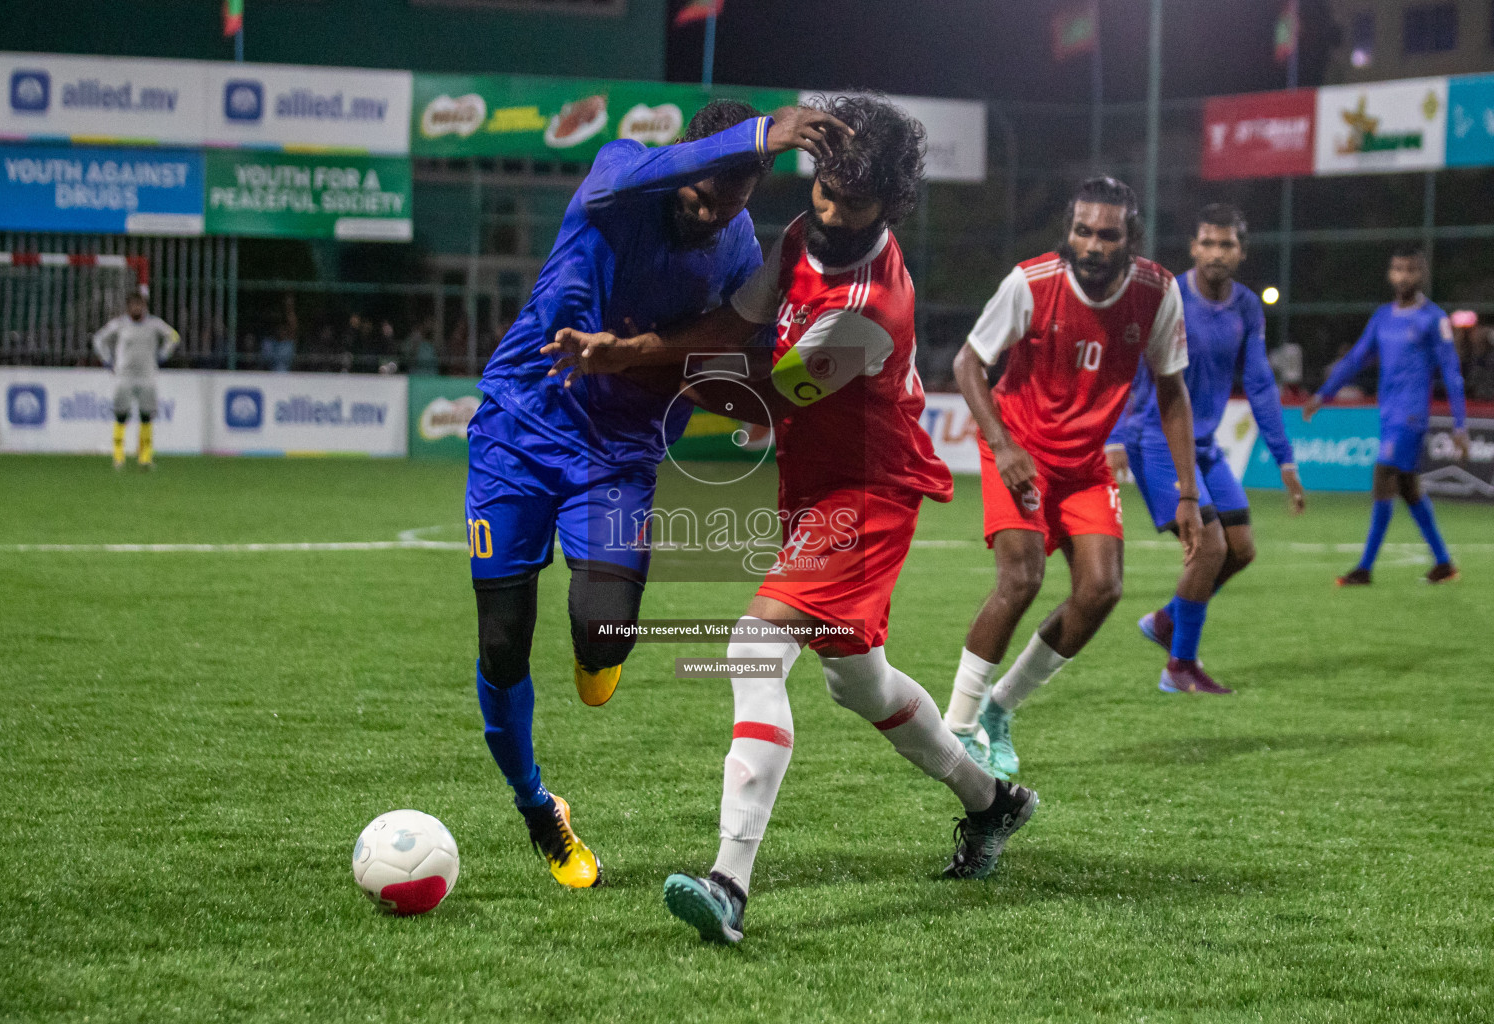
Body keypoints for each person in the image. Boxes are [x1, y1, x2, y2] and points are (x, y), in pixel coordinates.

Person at [544, 95, 1033, 945]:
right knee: (861, 684)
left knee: (751, 646)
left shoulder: (873, 306)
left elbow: (764, 392)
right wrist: (629, 353)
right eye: (823, 189)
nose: (828, 210)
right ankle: (993, 803)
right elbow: (733, 324)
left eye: (852, 200)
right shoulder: (802, 239)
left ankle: (728, 883)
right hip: (812, 483)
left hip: (868, 492)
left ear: (891, 201)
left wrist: (655, 372)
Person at [465, 100, 852, 890]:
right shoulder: (620, 173)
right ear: (684, 158)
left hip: (619, 450)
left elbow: (731, 338)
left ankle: (593, 648)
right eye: (702, 186)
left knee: (601, 637)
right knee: (503, 639)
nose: (710, 208)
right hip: (519, 425)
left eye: (731, 196)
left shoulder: (738, 246)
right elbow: (642, 176)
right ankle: (541, 810)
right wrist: (758, 135)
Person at [939, 177, 1201, 781]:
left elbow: (1171, 389)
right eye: (1082, 231)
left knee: (1102, 589)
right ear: (1069, 232)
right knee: (1022, 575)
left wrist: (1188, 492)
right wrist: (1001, 445)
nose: (1091, 244)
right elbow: (968, 363)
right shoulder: (1030, 283)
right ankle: (955, 728)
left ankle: (1000, 709)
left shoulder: (1158, 292)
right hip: (1020, 450)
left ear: (1129, 239)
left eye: (1107, 234)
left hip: (1084, 465)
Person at [1105, 204, 1305, 695]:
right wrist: (1113, 437)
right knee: (1210, 547)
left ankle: (1168, 621)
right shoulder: (1167, 296)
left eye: (1227, 244)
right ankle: (1180, 667)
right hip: (1156, 439)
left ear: (1241, 251)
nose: (1216, 253)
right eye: (1208, 243)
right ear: (1194, 247)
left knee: (1241, 549)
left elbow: (1259, 385)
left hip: (1206, 446)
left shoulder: (1246, 307)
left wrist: (1285, 459)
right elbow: (1126, 368)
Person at [1303, 244, 1469, 585]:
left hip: (1410, 417)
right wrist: (1324, 394)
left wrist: (1461, 425)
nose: (1403, 276)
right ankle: (1443, 563)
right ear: (1390, 273)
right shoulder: (1383, 317)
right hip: (1388, 414)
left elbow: (1451, 372)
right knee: (1408, 488)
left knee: (1383, 478)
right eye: (1397, 269)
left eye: (1410, 269)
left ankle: (1365, 568)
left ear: (1421, 273)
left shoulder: (1433, 318)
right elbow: (1355, 359)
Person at [92, 289, 179, 470]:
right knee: (121, 415)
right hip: (124, 375)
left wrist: (163, 354)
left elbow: (174, 337)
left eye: (139, 304)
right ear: (128, 307)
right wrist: (106, 360)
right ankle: (118, 457)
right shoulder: (119, 324)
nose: (136, 308)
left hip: (147, 375)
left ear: (144, 306)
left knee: (146, 416)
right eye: (133, 305)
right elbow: (99, 339)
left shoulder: (154, 324)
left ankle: (145, 458)